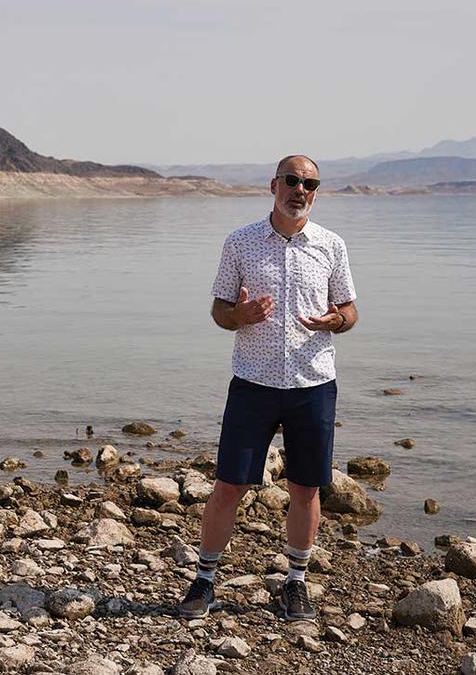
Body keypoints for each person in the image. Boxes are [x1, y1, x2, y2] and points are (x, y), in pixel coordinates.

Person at [178, 154, 358, 621]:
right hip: (253, 384)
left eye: (310, 183)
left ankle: (296, 583)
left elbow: (351, 311)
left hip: (312, 384)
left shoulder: (331, 246)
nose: (301, 189)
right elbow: (219, 310)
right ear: (273, 185)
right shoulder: (240, 243)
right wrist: (241, 316)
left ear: (316, 191)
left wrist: (336, 320)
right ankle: (204, 581)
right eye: (293, 181)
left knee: (305, 488)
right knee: (228, 485)